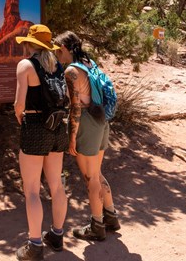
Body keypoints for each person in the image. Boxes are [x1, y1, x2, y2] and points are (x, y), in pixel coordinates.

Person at [53, 31, 121, 241]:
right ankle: (110, 216)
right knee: (97, 173)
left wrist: (72, 136)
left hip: (86, 123)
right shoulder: (88, 63)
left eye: (57, 49)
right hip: (100, 120)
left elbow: (75, 107)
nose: (56, 54)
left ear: (64, 48)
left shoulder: (72, 71)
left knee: (90, 178)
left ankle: (97, 225)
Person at [14, 25, 68, 261]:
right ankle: (56, 235)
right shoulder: (57, 66)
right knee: (56, 185)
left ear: (29, 44)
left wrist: (22, 119)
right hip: (58, 127)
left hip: (36, 127)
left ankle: (35, 245)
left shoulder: (26, 65)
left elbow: (18, 105)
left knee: (32, 189)